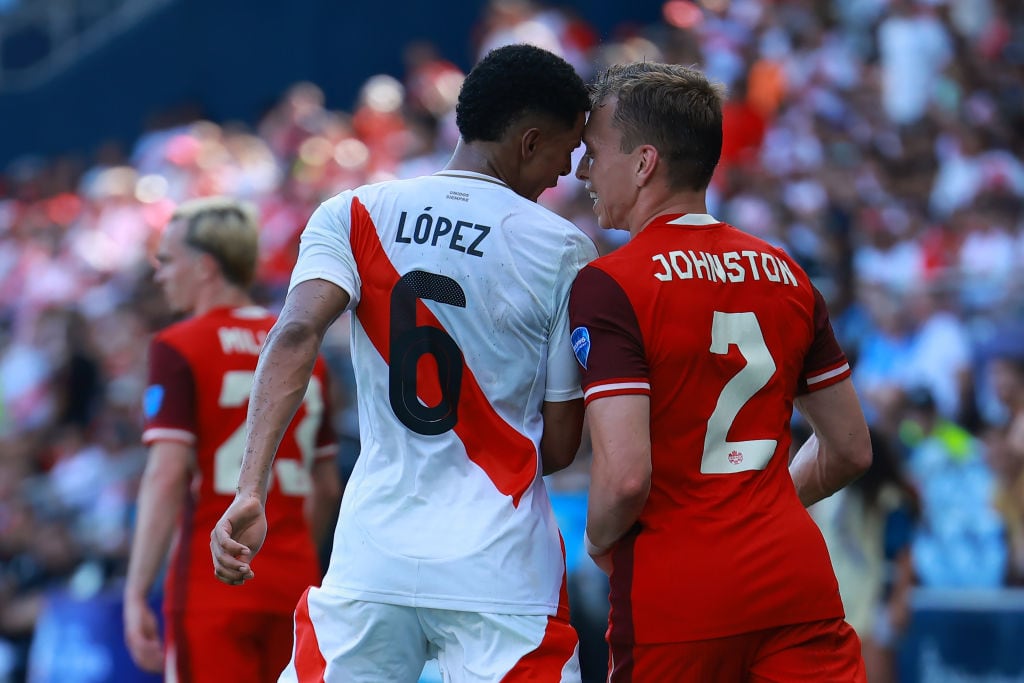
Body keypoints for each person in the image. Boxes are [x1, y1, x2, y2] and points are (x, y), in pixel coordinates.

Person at [210, 43, 595, 682]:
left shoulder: (354, 213)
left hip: (373, 555)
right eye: (566, 150)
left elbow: (296, 331)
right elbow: (556, 446)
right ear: (530, 142)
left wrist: (251, 486)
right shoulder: (563, 248)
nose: (565, 172)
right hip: (499, 567)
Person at [567, 62, 873, 681]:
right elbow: (849, 449)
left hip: (678, 590)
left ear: (645, 161)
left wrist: (599, 541)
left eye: (594, 153)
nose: (582, 172)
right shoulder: (787, 273)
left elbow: (626, 480)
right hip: (795, 578)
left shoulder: (610, 284)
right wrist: (759, 505)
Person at [123, 197, 341, 682]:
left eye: (168, 261)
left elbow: (165, 476)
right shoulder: (305, 352)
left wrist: (136, 591)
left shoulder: (178, 345)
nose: (160, 275)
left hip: (211, 583)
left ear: (204, 266)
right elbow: (326, 487)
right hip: (294, 580)